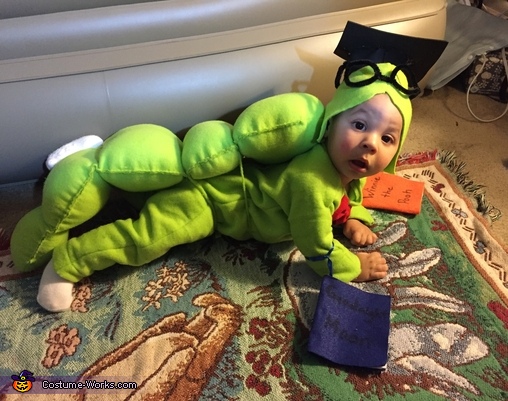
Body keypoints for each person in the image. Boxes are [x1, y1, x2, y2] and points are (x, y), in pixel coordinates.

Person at [10, 23, 447, 311]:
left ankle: (84, 159)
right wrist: (354, 265)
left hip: (234, 198)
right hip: (211, 202)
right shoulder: (311, 180)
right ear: (331, 124)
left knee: (132, 200)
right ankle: (67, 262)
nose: (370, 144)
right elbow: (315, 249)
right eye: (358, 124)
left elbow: (347, 191)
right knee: (147, 236)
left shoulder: (342, 167)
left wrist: (353, 218)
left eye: (388, 138)